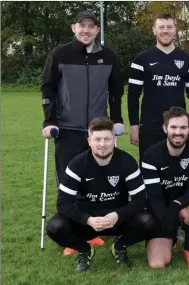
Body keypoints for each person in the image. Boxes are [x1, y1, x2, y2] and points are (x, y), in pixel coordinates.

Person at [41, 10, 124, 255]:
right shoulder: (60, 54)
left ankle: (94, 230)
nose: (86, 30)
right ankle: (72, 236)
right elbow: (48, 88)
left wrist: (117, 120)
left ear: (97, 30)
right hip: (66, 128)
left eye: (91, 26)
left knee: (97, 181)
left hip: (97, 130)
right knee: (69, 182)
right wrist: (49, 121)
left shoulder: (108, 56)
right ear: (73, 28)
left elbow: (116, 91)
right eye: (82, 25)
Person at [46, 117, 153, 272]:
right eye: (97, 139)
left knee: (148, 220)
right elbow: (63, 204)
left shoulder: (127, 162)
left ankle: (119, 246)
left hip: (117, 220)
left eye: (107, 139)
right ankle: (84, 249)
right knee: (55, 227)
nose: (102, 144)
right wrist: (87, 219)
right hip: (88, 221)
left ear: (114, 139)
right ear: (89, 140)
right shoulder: (77, 164)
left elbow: (140, 200)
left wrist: (118, 215)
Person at [128, 13, 189, 161]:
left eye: (169, 27)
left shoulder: (187, 61)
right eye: (161, 27)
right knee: (148, 168)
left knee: (177, 170)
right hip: (149, 126)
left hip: (178, 126)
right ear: (154, 30)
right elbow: (133, 96)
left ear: (175, 30)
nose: (165, 31)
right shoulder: (141, 59)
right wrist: (134, 127)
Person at [141, 107, 189, 270]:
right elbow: (154, 195)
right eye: (173, 127)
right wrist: (166, 220)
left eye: (183, 128)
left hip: (183, 205)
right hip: (159, 210)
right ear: (165, 128)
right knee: (157, 264)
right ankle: (171, 235)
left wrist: (177, 204)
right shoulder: (151, 154)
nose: (178, 132)